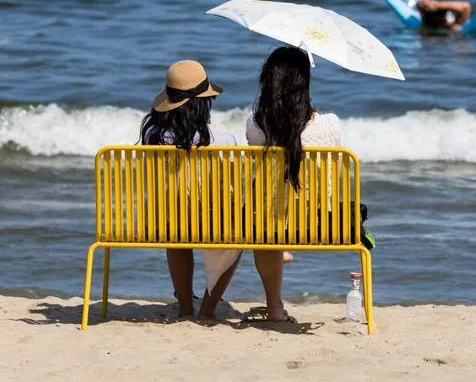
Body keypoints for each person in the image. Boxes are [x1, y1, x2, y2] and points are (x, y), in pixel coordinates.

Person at [244, 45, 342, 323]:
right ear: (304, 83)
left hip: (269, 221)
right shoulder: (330, 124)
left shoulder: (255, 124)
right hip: (319, 220)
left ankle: (274, 308)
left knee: (265, 230)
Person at [138, 59, 241, 319]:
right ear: (203, 101)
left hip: (165, 220)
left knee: (177, 233)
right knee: (237, 239)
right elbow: (230, 186)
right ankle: (207, 309)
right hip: (209, 220)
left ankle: (185, 307)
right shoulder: (221, 138)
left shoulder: (153, 136)